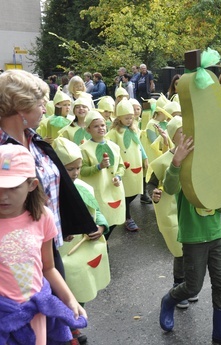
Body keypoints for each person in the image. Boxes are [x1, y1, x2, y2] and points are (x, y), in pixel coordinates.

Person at [0, 69, 97, 281]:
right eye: (39, 104)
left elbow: (55, 187)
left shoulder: (35, 140)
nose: (45, 108)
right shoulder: (2, 150)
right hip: (18, 255)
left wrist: (67, 222)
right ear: (20, 107)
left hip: (48, 244)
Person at [158, 133, 221, 345]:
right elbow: (169, 189)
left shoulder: (214, 173)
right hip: (193, 238)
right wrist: (177, 161)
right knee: (193, 287)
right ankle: (169, 300)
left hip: (216, 234)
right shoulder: (185, 170)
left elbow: (220, 206)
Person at [0, 144, 88, 344]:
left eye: (12, 187)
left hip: (35, 313)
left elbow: (48, 267)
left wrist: (69, 300)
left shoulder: (43, 217)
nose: (3, 195)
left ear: (32, 185)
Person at [53, 137, 110, 344]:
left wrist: (101, 226)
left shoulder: (84, 187)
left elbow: (97, 211)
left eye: (78, 168)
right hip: (63, 252)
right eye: (70, 169)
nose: (76, 173)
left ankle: (76, 320)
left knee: (82, 287)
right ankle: (67, 329)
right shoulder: (53, 192)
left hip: (84, 249)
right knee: (66, 288)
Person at [146, 117, 197, 309]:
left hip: (193, 210)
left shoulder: (197, 156)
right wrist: (154, 194)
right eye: (182, 132)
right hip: (173, 213)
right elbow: (150, 184)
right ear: (173, 136)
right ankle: (178, 286)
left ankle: (189, 286)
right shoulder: (163, 161)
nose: (187, 135)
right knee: (180, 252)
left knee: (193, 251)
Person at [80, 111, 125, 241]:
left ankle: (105, 243)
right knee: (101, 220)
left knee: (114, 220)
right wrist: (98, 167)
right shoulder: (84, 149)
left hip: (114, 189)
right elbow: (82, 171)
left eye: (103, 125)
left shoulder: (114, 146)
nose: (101, 128)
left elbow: (121, 166)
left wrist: (119, 176)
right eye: (96, 126)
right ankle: (103, 247)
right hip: (98, 191)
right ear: (88, 129)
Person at [105, 99, 147, 232]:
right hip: (124, 166)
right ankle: (127, 217)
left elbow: (139, 145)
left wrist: (145, 157)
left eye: (131, 118)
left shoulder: (134, 129)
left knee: (134, 190)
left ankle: (126, 213)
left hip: (136, 164)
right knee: (125, 192)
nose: (129, 120)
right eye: (127, 118)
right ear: (119, 118)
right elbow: (109, 146)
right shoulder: (114, 132)